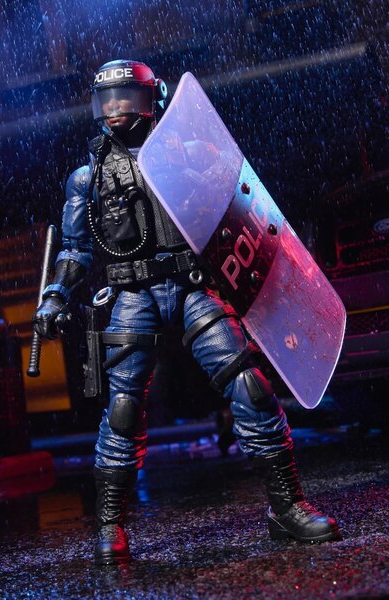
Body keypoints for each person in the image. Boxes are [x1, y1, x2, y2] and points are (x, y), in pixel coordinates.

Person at [32, 59, 340, 566]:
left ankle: (287, 507)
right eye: (106, 100)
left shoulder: (193, 152)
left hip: (193, 283)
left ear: (153, 98)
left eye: (126, 97)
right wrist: (55, 295)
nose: (115, 109)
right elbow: (74, 248)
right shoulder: (87, 178)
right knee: (123, 408)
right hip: (134, 293)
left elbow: (240, 205)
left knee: (250, 386)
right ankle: (110, 527)